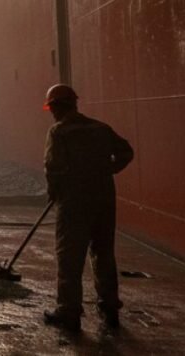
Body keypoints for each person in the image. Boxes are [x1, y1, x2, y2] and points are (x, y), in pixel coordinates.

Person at [41, 84, 134, 332]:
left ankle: (68, 312)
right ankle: (109, 309)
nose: (51, 113)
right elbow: (126, 152)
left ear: (57, 107)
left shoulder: (59, 132)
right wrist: (107, 170)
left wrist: (54, 192)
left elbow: (53, 167)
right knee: (103, 253)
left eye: (51, 108)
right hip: (104, 200)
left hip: (74, 202)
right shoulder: (100, 128)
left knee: (69, 256)